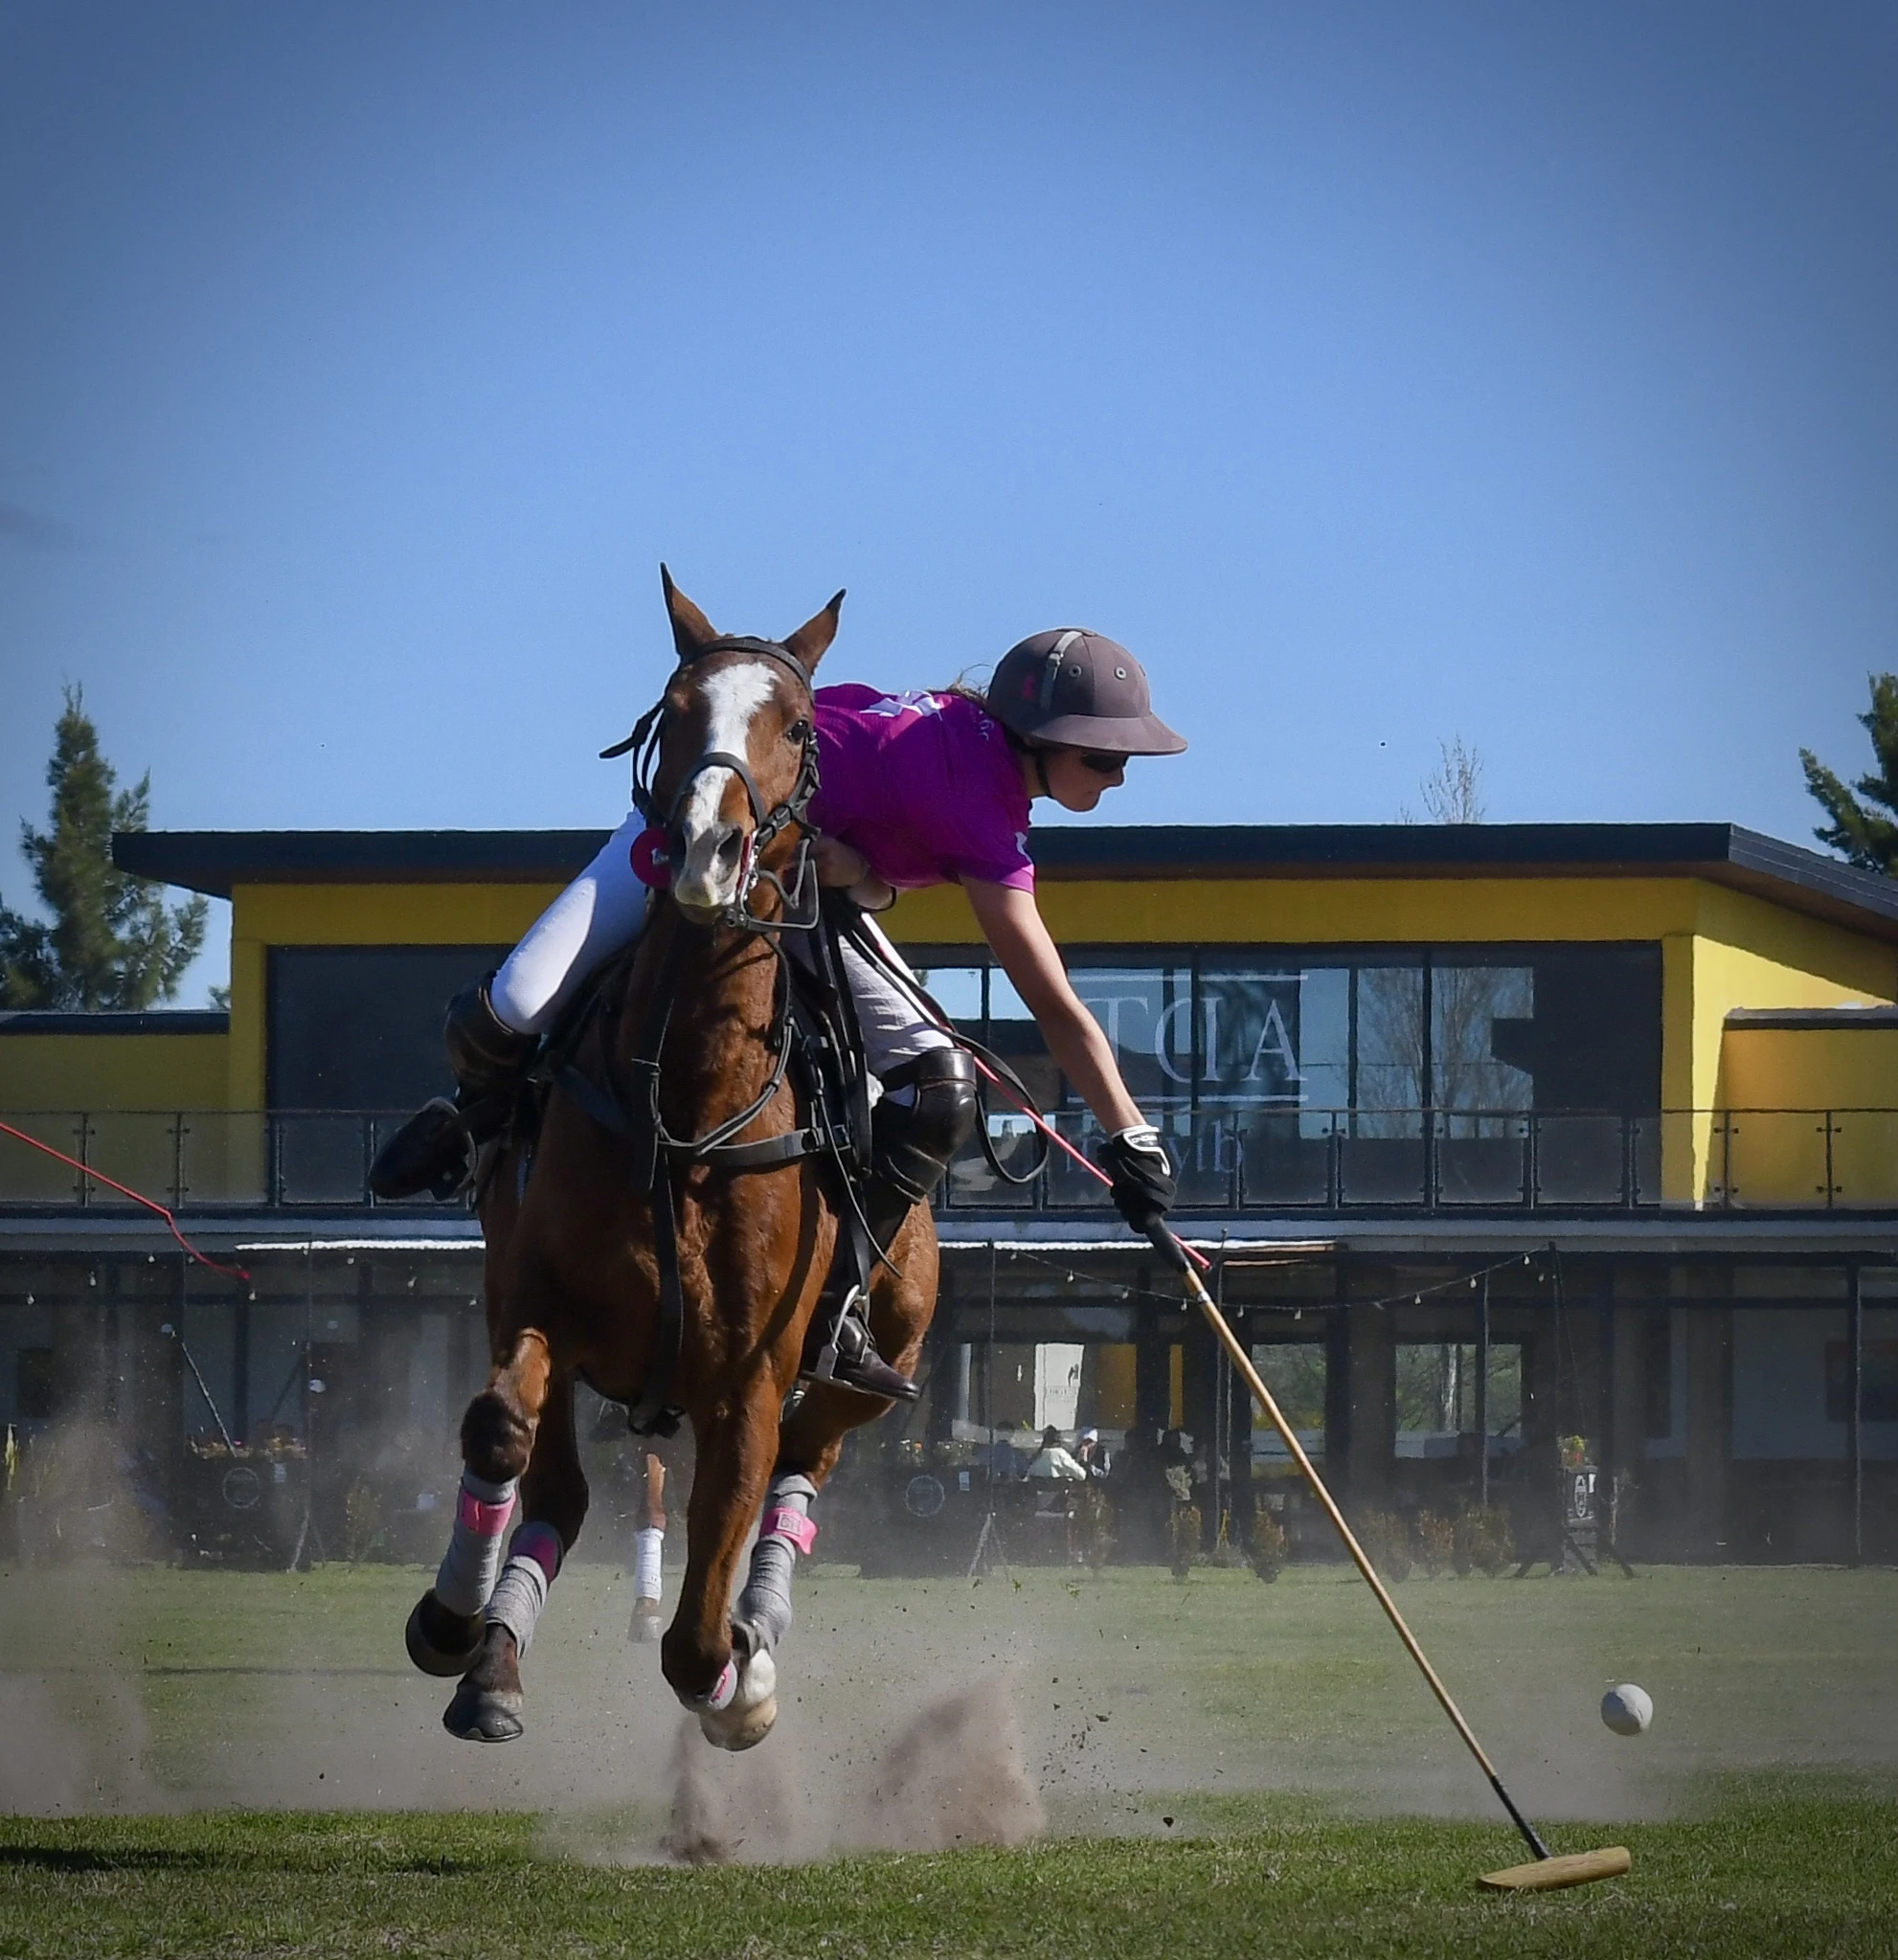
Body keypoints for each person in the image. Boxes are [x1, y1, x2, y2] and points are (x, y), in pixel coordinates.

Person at [371, 625, 1187, 1400]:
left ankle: (835, 1302)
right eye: (1104, 757)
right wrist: (1131, 1138)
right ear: (1036, 737)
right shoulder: (978, 797)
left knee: (939, 1085)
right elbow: (1052, 1002)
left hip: (789, 895)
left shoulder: (964, 738)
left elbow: (866, 853)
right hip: (698, 840)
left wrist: (862, 874)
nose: (1116, 777)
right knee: (505, 1009)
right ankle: (473, 1128)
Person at [1024, 1425, 1088, 1482]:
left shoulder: (1038, 1456)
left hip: (1038, 1493)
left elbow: (1028, 1475)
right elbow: (1082, 1475)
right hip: (1059, 1493)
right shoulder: (1061, 1454)